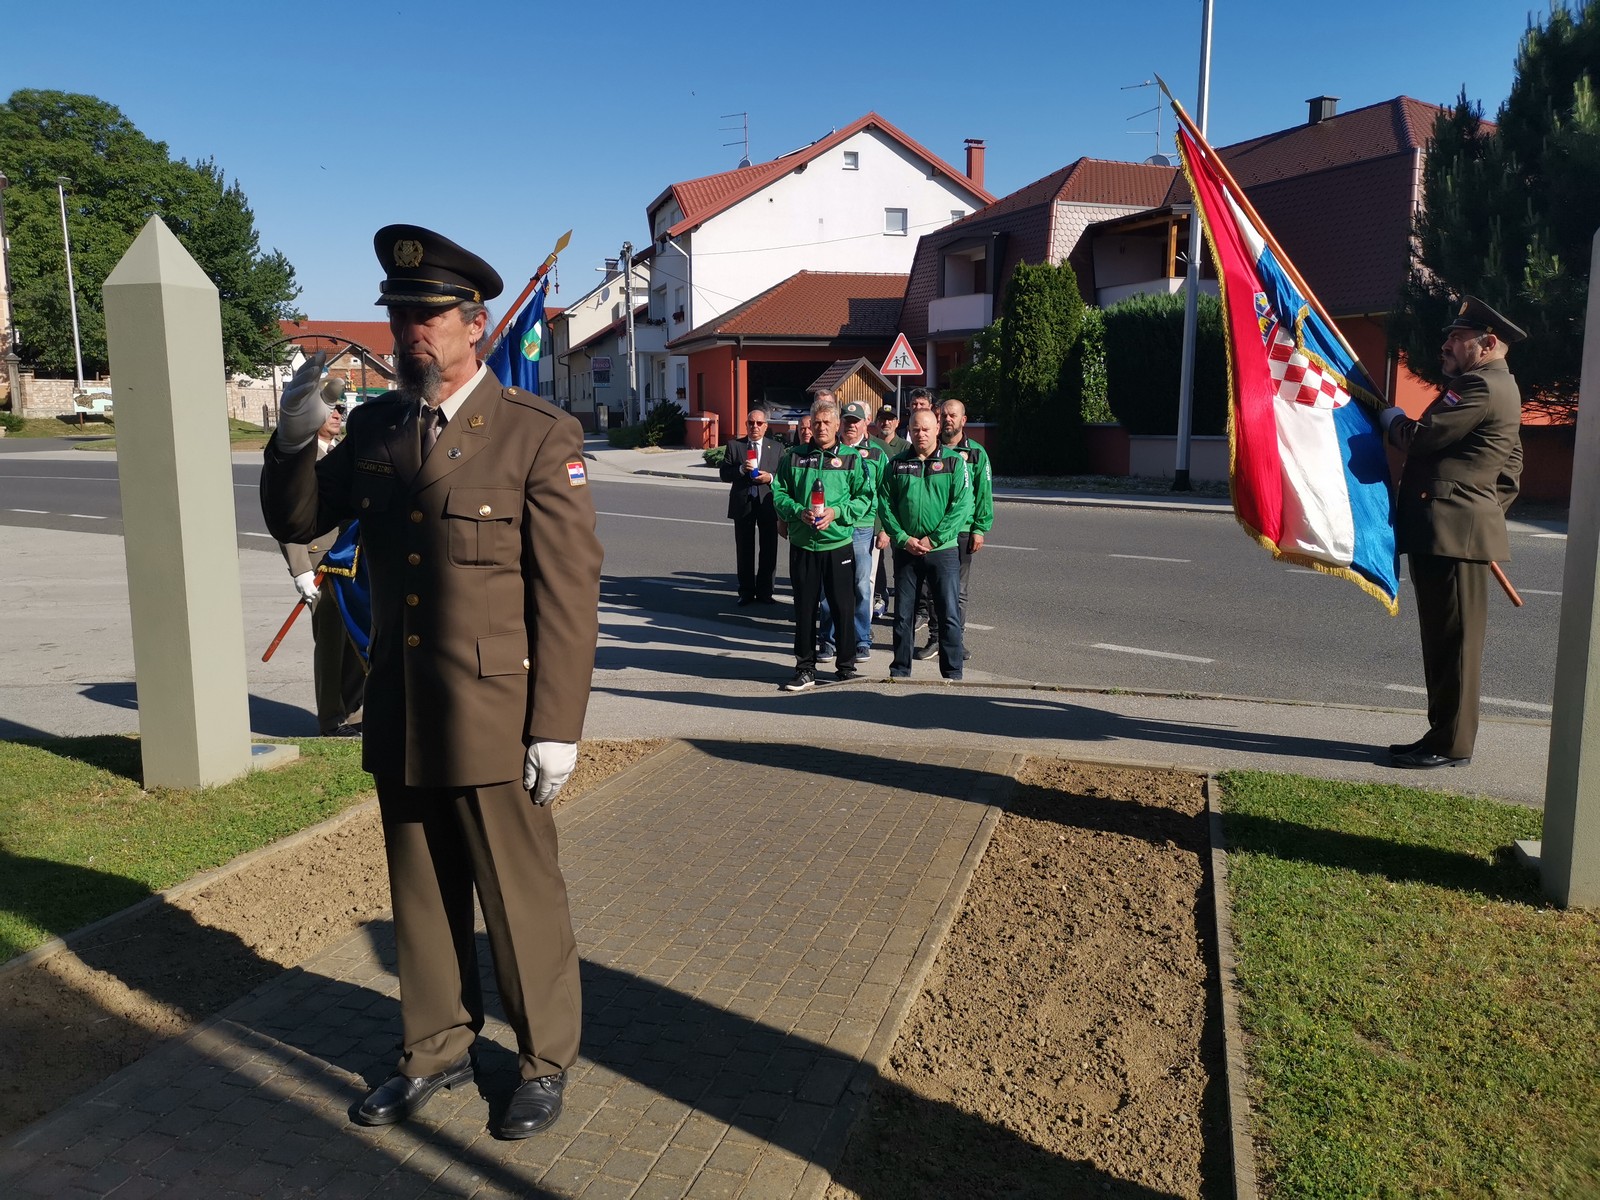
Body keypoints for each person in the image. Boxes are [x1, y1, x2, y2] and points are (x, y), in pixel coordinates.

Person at [260, 224, 603, 1139]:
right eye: (399, 315)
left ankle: (542, 1061)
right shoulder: (379, 427)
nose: (409, 331)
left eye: (426, 316)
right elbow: (300, 516)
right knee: (420, 894)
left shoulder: (535, 434)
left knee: (519, 899)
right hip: (405, 706)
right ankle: (436, 1049)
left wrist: (557, 724)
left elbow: (568, 592)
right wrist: (292, 442)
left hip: (496, 714)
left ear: (474, 324)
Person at [1378, 296, 1525, 769]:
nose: (1446, 346)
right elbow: (1511, 468)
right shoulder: (1500, 387)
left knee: (1455, 645)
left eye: (1457, 339)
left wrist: (1391, 419)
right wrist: (1481, 512)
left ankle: (1452, 745)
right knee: (1443, 641)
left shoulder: (1479, 386)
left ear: (1488, 343)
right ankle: (1440, 734)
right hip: (1452, 530)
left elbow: (1423, 438)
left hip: (1452, 533)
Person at [276, 391, 366, 736]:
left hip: (353, 556)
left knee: (356, 636)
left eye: (341, 408)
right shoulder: (300, 456)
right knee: (331, 643)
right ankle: (331, 719)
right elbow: (288, 514)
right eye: (330, 410)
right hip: (322, 560)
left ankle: (354, 712)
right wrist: (300, 568)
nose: (338, 414)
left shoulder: (342, 452)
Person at [772, 394, 874, 690]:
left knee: (843, 607)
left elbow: (865, 497)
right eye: (816, 422)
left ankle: (846, 667)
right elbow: (779, 493)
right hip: (804, 545)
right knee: (804, 609)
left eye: (827, 422)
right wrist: (797, 512)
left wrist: (837, 512)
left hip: (838, 545)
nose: (821, 427)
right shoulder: (793, 457)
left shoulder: (852, 458)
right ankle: (805, 669)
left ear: (838, 424)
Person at [880, 409, 972, 681]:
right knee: (904, 614)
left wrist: (934, 538)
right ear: (909, 431)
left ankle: (952, 672)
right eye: (916, 429)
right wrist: (902, 538)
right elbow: (885, 504)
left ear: (937, 429)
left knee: (948, 612)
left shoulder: (954, 463)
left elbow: (961, 506)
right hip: (906, 550)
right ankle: (900, 670)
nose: (921, 434)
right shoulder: (896, 464)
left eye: (926, 429)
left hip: (942, 550)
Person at [916, 397, 993, 663]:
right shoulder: (929, 449)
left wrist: (980, 528)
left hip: (962, 531)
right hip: (932, 533)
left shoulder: (976, 453)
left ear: (963, 420)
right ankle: (936, 638)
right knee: (932, 589)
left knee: (958, 591)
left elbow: (984, 493)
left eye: (953, 415)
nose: (948, 419)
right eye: (944, 415)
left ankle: (955, 641)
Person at [818, 399, 888, 662]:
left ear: (864, 424)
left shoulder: (877, 454)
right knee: (829, 586)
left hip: (862, 527)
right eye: (846, 421)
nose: (850, 426)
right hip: (834, 526)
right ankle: (828, 640)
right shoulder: (829, 451)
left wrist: (884, 529)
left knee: (860, 585)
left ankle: (861, 639)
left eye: (855, 421)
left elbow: (885, 494)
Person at [718, 405, 782, 605]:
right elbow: (724, 474)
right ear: (746, 425)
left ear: (765, 426)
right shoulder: (735, 446)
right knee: (744, 549)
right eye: (751, 423)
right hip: (743, 504)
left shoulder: (776, 448)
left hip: (767, 503)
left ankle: (765, 591)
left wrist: (770, 478)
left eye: (759, 423)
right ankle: (746, 591)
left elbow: (784, 476)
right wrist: (740, 469)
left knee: (769, 549)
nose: (755, 426)